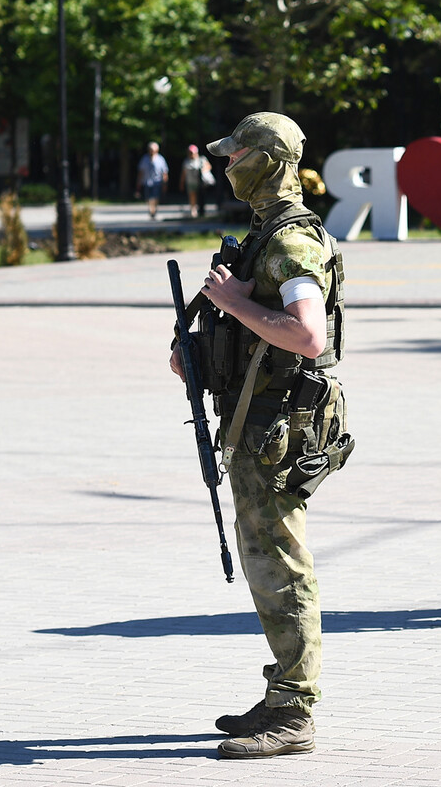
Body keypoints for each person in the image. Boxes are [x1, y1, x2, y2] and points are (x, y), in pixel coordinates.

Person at [169, 112, 351, 759]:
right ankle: (282, 694)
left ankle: (295, 710)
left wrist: (235, 304)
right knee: (265, 561)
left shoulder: (292, 244)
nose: (226, 164)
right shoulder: (264, 235)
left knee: (281, 562)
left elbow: (308, 336)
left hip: (280, 425)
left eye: (237, 154)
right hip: (256, 419)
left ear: (266, 161)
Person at [179, 143, 215, 218]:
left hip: (201, 183)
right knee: (192, 197)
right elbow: (183, 173)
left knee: (201, 198)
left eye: (192, 152)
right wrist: (181, 183)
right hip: (190, 182)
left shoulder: (202, 159)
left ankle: (201, 212)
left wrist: (203, 170)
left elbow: (209, 166)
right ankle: (193, 211)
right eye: (189, 152)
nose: (190, 154)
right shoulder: (186, 161)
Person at [136, 141, 169, 219]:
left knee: (155, 197)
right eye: (150, 149)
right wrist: (138, 183)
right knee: (148, 198)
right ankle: (151, 209)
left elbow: (164, 172)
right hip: (147, 181)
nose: (152, 151)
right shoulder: (144, 159)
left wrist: (165, 182)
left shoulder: (161, 159)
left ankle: (153, 210)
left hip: (157, 182)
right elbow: (141, 172)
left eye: (153, 149)